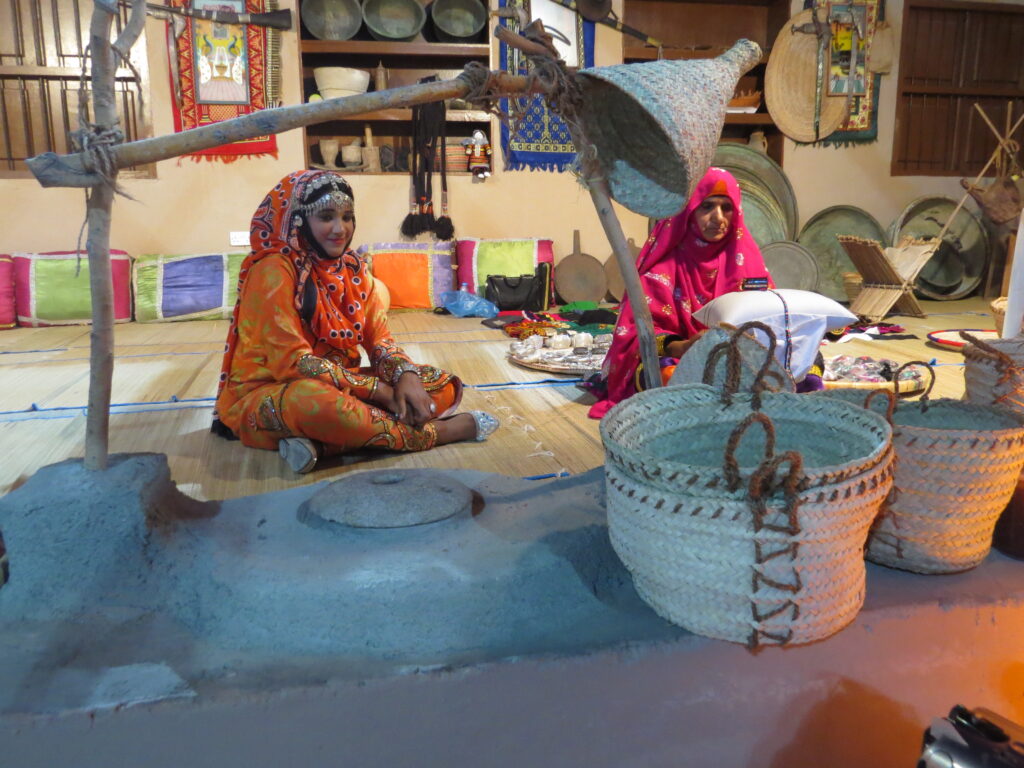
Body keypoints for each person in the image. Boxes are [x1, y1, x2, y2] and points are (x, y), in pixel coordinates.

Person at [213, 170, 499, 473]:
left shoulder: (353, 268)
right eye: (326, 217)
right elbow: (294, 365)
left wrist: (406, 377)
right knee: (314, 403)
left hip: (346, 387)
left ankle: (323, 445)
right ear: (298, 220)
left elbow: (379, 339)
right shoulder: (273, 270)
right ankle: (437, 433)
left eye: (347, 216)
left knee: (439, 384)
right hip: (276, 391)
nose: (340, 229)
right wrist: (379, 392)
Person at [587, 167, 773, 419]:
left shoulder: (747, 263)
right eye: (707, 207)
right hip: (679, 361)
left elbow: (771, 321)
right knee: (664, 377)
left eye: (726, 208)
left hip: (740, 361)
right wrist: (685, 347)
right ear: (688, 211)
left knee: (798, 368)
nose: (718, 218)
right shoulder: (661, 269)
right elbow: (636, 338)